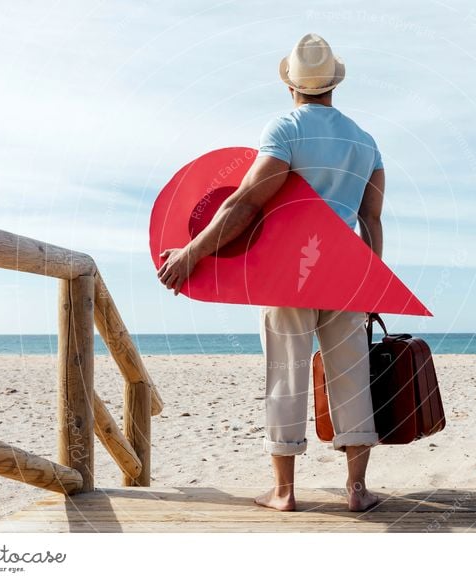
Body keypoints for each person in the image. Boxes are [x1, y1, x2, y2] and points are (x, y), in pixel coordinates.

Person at [157, 33, 384, 512]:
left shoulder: (285, 129)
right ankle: (357, 490)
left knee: (285, 375)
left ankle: (283, 492)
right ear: (333, 86)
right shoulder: (365, 143)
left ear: (292, 86)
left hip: (289, 273)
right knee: (352, 377)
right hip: (347, 273)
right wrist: (374, 281)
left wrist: (192, 253)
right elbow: (371, 219)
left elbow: (245, 202)